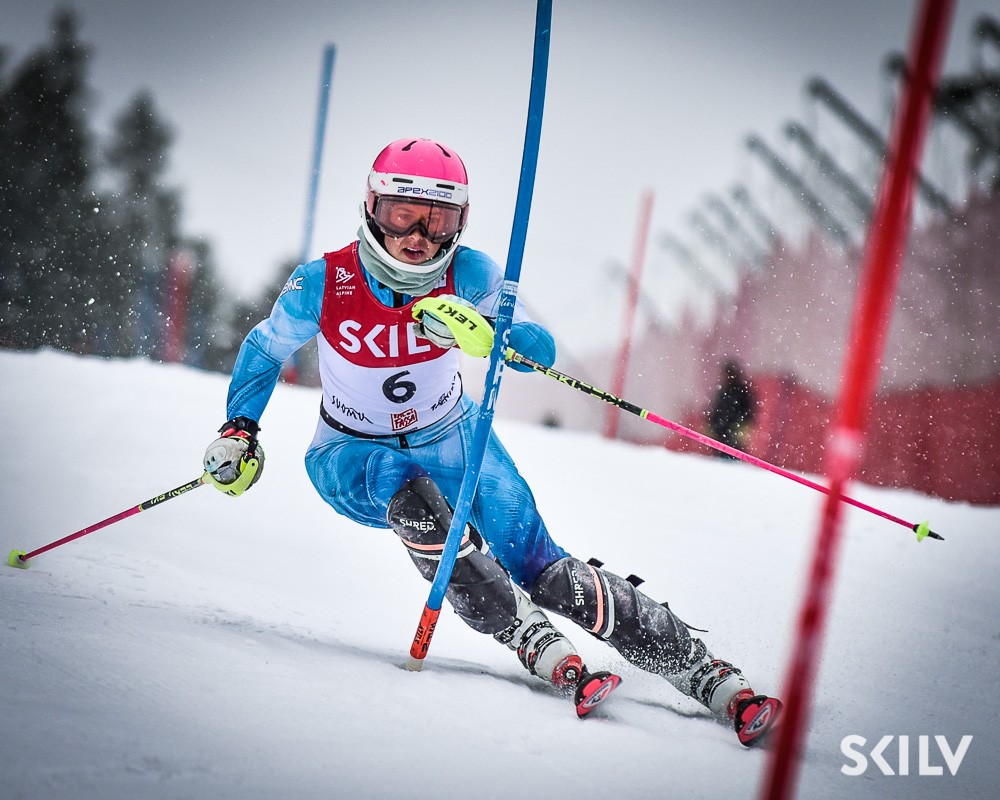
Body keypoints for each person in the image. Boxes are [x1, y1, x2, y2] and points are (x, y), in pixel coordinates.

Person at [203, 138, 781, 744]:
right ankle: (528, 634)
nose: (417, 237)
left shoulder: (470, 273)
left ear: (460, 222)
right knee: (409, 493)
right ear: (372, 207)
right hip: (350, 453)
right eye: (402, 215)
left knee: (542, 566)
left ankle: (704, 672)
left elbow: (537, 347)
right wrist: (240, 428)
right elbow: (264, 349)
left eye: (437, 221)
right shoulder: (325, 281)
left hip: (453, 437)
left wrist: (490, 333)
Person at [707, 359, 756, 458]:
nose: (727, 377)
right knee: (721, 457)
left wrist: (742, 427)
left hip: (734, 431)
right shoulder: (723, 391)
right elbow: (717, 409)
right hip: (721, 431)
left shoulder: (742, 391)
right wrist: (712, 424)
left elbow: (748, 412)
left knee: (733, 456)